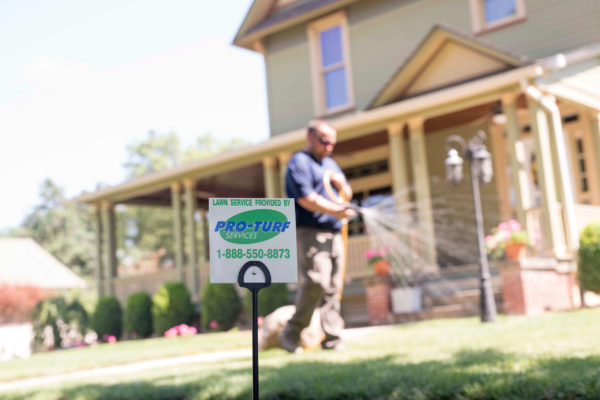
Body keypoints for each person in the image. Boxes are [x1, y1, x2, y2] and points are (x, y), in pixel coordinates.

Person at [280, 119, 356, 353]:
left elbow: (346, 193)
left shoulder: (330, 163)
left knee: (333, 287)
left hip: (334, 232)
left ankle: (332, 339)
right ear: (310, 138)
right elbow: (306, 199)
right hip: (311, 232)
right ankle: (291, 334)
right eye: (325, 141)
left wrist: (342, 183)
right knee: (317, 281)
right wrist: (336, 210)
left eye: (332, 142)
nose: (329, 147)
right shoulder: (299, 163)